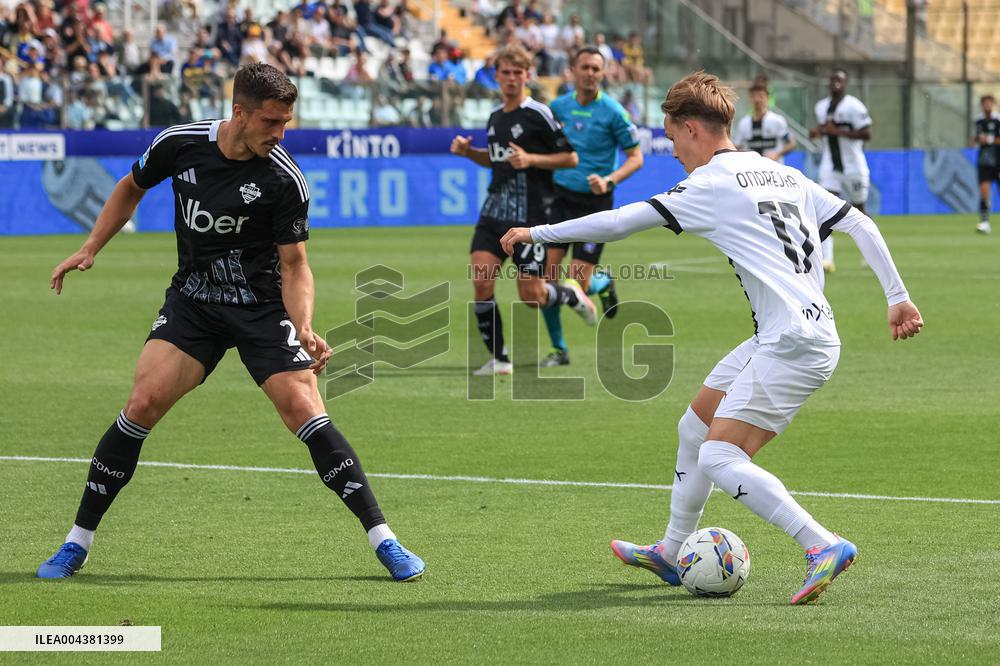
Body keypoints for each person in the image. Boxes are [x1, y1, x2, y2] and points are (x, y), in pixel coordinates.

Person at [501, 71, 923, 604]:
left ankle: (821, 543)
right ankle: (672, 551)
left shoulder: (710, 183)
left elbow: (620, 223)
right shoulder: (783, 174)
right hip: (791, 333)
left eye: (672, 137)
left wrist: (536, 233)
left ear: (692, 127)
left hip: (793, 343)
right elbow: (860, 223)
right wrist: (897, 297)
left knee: (719, 457)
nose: (674, 151)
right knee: (695, 428)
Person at [39, 63, 425, 583]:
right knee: (142, 404)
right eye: (271, 122)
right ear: (239, 112)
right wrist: (91, 247)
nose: (280, 133)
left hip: (261, 309)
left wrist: (303, 326)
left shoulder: (284, 178)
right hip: (194, 303)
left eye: (286, 122)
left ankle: (385, 539)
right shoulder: (179, 144)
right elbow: (131, 186)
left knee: (305, 410)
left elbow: (295, 264)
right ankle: (77, 542)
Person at [449, 44, 592, 376]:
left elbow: (570, 158)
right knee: (481, 282)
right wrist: (470, 153)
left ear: (527, 75)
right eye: (506, 72)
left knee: (532, 295)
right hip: (493, 213)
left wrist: (531, 159)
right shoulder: (495, 117)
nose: (512, 78)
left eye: (518, 72)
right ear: (496, 75)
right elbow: (496, 160)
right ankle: (500, 358)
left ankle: (570, 296)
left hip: (530, 216)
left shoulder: (538, 113)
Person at [541, 46, 644, 367]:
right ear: (572, 70)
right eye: (584, 67)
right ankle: (559, 350)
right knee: (546, 282)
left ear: (603, 73)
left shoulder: (614, 112)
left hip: (595, 205)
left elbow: (636, 157)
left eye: (596, 69)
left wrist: (609, 180)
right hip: (560, 200)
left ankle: (601, 282)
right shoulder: (558, 107)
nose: (590, 73)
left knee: (577, 284)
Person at [809, 68, 871, 272]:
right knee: (824, 209)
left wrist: (838, 132)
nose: (836, 83)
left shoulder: (854, 106)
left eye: (840, 80)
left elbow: (866, 134)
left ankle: (871, 253)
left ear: (846, 84)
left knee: (860, 210)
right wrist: (818, 132)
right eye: (833, 79)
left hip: (853, 166)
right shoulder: (821, 107)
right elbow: (824, 130)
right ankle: (827, 259)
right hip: (830, 166)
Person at [733, 82, 796, 163]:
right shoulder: (743, 123)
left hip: (774, 168)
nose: (757, 100)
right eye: (754, 96)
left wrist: (777, 154)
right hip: (751, 168)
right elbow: (737, 146)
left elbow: (791, 144)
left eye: (761, 96)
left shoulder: (777, 120)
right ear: (750, 99)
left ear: (767, 98)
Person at [970, 94, 999, 234]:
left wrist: (988, 140)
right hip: (984, 162)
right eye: (985, 103)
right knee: (984, 192)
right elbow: (974, 140)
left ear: (993, 104)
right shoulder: (979, 121)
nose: (987, 105)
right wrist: (975, 140)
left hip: (998, 161)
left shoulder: (998, 120)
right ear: (982, 105)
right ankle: (984, 222)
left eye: (989, 103)